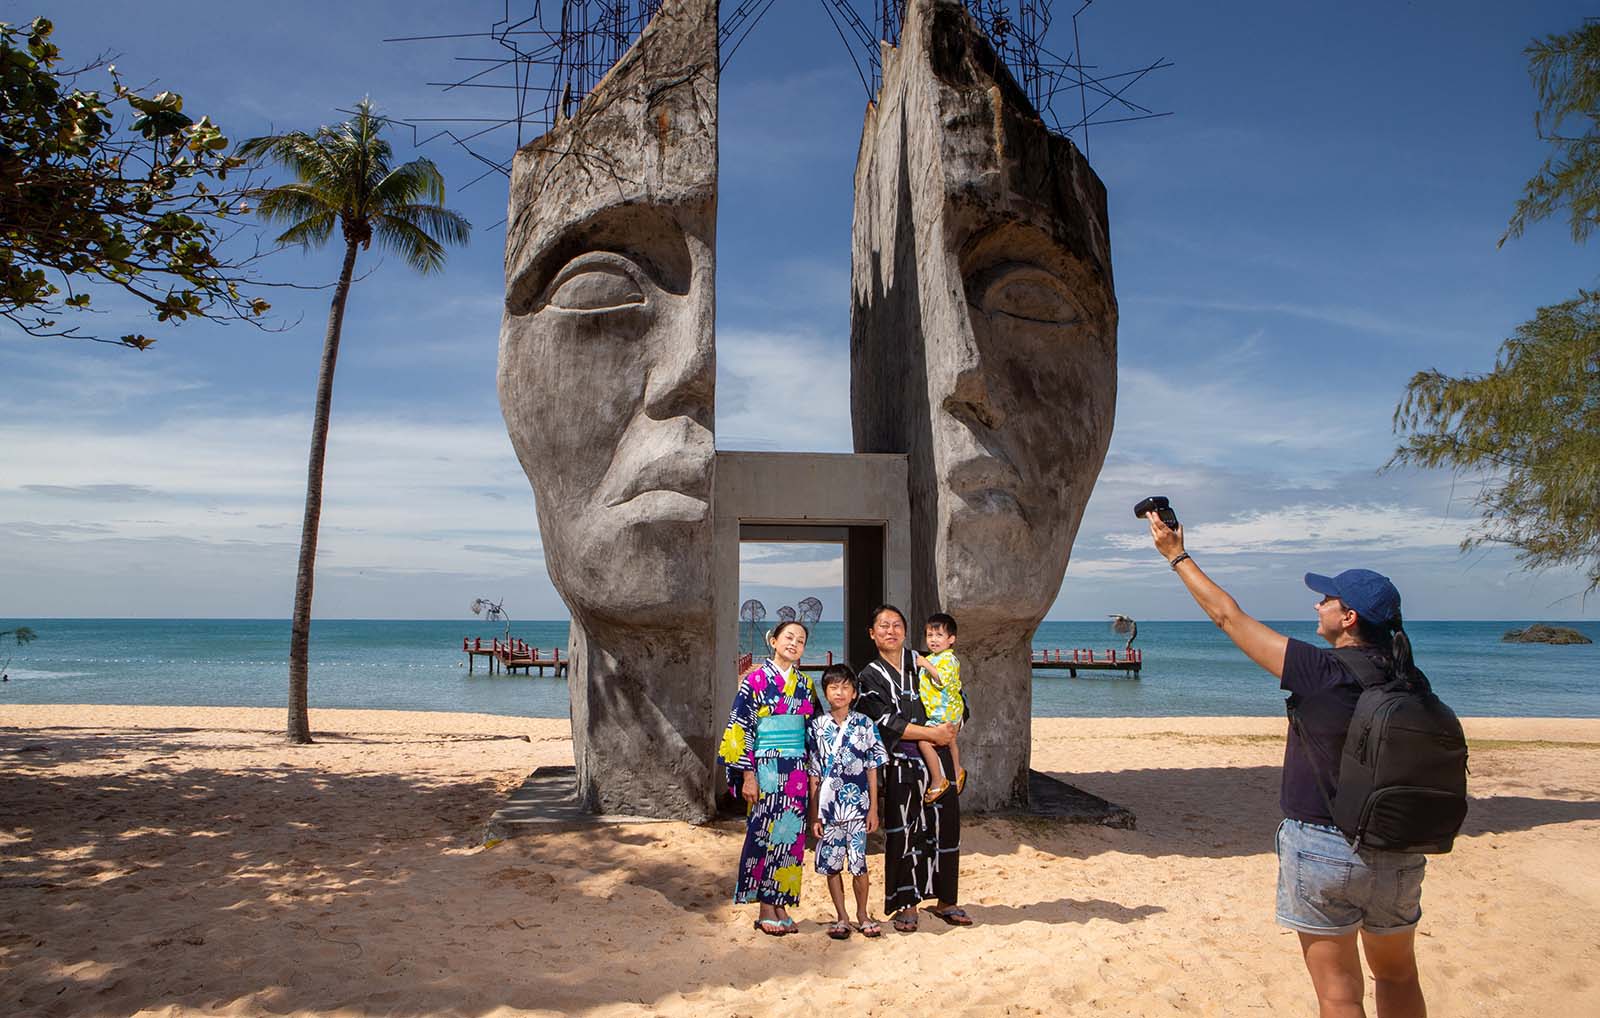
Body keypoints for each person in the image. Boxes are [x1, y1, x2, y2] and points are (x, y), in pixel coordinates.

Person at [1147, 513, 1431, 1018]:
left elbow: (1228, 618)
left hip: (1325, 846)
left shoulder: (1322, 670)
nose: (1317, 604)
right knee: (1398, 975)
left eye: (1327, 599)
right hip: (1400, 845)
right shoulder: (1411, 679)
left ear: (1349, 619)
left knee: (1339, 994)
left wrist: (1176, 555)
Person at [853, 603, 971, 932]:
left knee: (945, 828)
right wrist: (930, 733)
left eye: (896, 625)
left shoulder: (929, 662)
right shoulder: (869, 676)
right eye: (883, 626)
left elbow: (957, 696)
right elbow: (886, 720)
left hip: (941, 758)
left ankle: (946, 898)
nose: (890, 631)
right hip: (902, 763)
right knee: (904, 832)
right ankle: (907, 902)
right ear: (872, 634)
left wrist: (951, 728)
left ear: (905, 631)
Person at [718, 620, 817, 935]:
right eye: (788, 637)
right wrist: (748, 774)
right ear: (773, 641)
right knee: (763, 832)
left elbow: (812, 731)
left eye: (800, 640)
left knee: (791, 837)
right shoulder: (755, 681)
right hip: (765, 768)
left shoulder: (805, 685)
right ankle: (764, 908)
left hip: (796, 770)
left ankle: (781, 903)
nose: (794, 643)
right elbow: (741, 728)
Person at [807, 663, 889, 939]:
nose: (839, 692)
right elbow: (814, 772)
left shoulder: (865, 724)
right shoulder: (817, 726)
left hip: (857, 807)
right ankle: (841, 916)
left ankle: (862, 914)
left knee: (859, 864)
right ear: (826, 692)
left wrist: (874, 809)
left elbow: (872, 768)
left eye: (845, 687)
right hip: (828, 810)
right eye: (833, 687)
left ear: (854, 693)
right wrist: (814, 813)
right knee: (832, 865)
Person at [914, 612, 966, 802]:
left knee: (924, 742)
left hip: (944, 713)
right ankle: (957, 770)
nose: (933, 639)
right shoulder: (937, 658)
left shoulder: (948, 659)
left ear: (951, 639)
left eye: (939, 635)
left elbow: (941, 679)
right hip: (946, 711)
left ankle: (938, 781)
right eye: (929, 635)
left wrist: (924, 663)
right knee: (951, 741)